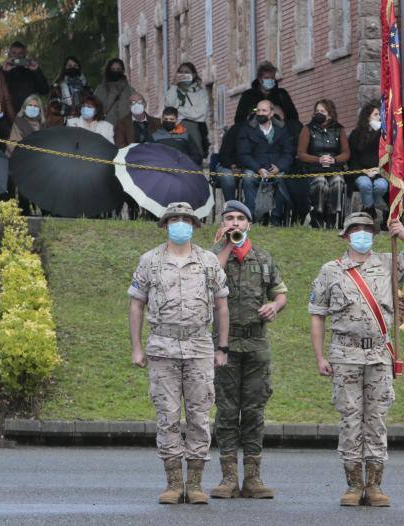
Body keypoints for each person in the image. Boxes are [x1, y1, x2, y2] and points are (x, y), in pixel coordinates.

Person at [309, 212, 404, 507]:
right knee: (350, 419)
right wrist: (319, 357)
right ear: (345, 236)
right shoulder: (331, 271)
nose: (362, 234)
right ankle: (354, 485)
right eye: (356, 230)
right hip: (345, 355)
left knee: (376, 420)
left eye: (367, 230)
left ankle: (375, 485)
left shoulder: (388, 262)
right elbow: (317, 316)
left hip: (380, 354)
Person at [128, 202, 230, 505]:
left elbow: (222, 306)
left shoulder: (209, 261)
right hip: (163, 347)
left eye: (186, 220)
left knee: (199, 416)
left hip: (199, 346)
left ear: (195, 226)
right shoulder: (149, 261)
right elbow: (136, 304)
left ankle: (195, 483)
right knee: (168, 416)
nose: (181, 224)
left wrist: (222, 347)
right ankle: (173, 483)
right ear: (165, 225)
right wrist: (136, 346)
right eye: (175, 220)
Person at [209, 200, 288, 500]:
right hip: (224, 346)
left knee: (254, 411)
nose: (235, 223)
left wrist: (274, 306)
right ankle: (228, 478)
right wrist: (226, 246)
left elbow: (280, 293)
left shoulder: (264, 258)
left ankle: (253, 478)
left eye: (240, 219)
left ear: (249, 224)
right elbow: (209, 279)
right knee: (227, 411)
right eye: (229, 218)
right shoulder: (212, 256)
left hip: (256, 344)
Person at [236, 100, 294, 222]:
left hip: (276, 169)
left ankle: (276, 219)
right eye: (258, 110)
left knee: (283, 179)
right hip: (255, 168)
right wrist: (258, 168)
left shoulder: (282, 129)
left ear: (271, 113)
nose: (260, 113)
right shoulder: (247, 128)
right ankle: (251, 218)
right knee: (248, 178)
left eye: (264, 110)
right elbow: (243, 154)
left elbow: (289, 152)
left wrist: (279, 167)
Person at [298, 99, 350, 228]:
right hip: (314, 170)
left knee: (337, 181)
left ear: (330, 114)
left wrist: (335, 159)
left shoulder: (339, 130)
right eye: (317, 111)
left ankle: (332, 216)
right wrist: (318, 159)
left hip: (334, 168)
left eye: (322, 111)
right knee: (321, 183)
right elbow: (301, 154)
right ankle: (318, 215)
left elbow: (346, 153)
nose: (318, 113)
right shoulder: (307, 129)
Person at [348, 101, 389, 221]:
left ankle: (367, 208)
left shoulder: (384, 136)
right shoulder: (356, 135)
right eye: (376, 115)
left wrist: (380, 133)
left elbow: (387, 155)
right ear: (367, 117)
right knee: (365, 184)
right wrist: (364, 172)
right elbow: (353, 158)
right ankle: (370, 210)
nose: (379, 117)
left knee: (381, 186)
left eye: (379, 115)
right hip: (361, 172)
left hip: (378, 172)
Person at [165, 62, 209, 160]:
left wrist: (178, 110)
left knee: (194, 159)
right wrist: (174, 84)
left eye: (186, 72)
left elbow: (200, 113)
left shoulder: (201, 92)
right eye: (181, 72)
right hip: (174, 130)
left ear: (193, 75)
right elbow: (169, 106)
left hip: (194, 129)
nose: (183, 74)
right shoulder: (173, 90)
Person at [1, 41, 49, 112]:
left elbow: (44, 90)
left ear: (25, 55)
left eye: (20, 53)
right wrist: (4, 72)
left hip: (29, 114)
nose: (17, 56)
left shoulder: (31, 71)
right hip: (8, 115)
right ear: (9, 55)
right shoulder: (1, 71)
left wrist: (36, 71)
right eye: (14, 53)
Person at [94, 58, 136, 127]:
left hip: (123, 129)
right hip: (104, 128)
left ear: (122, 71)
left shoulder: (129, 90)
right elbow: (93, 107)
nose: (115, 71)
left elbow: (140, 105)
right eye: (113, 69)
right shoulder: (100, 89)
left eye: (118, 69)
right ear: (108, 70)